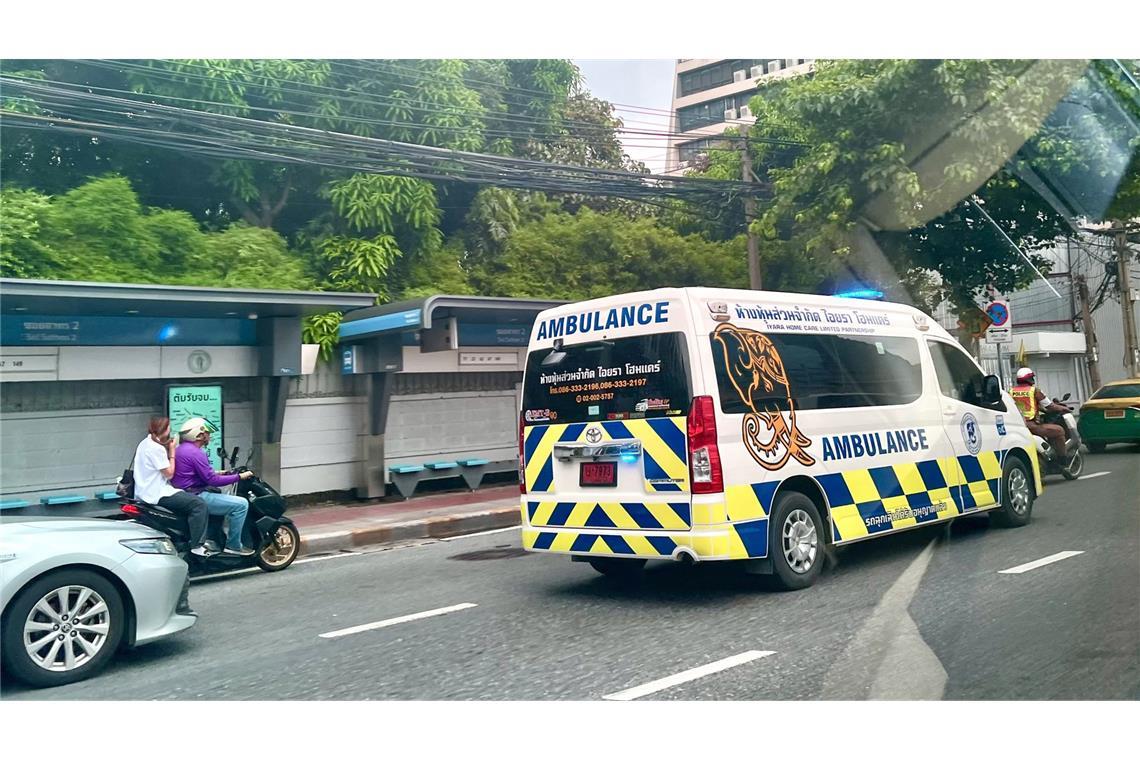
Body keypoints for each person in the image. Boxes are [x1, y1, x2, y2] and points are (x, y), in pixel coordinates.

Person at [171, 417, 255, 557]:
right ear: (199, 435)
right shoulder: (196, 452)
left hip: (184, 493)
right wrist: (239, 477)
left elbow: (193, 473)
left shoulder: (181, 449)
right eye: (207, 433)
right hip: (196, 495)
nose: (209, 436)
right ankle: (233, 546)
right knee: (241, 504)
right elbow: (213, 480)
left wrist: (219, 472)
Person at [132, 416, 215, 557]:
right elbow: (169, 474)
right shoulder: (156, 448)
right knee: (199, 504)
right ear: (164, 430)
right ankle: (197, 546)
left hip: (143, 491)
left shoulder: (144, 443)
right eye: (169, 428)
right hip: (157, 493)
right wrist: (172, 452)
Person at [1011, 367, 1070, 461]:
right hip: (1031, 426)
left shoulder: (1011, 391)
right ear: (1029, 379)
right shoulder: (1034, 391)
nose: (1033, 380)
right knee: (1059, 431)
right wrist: (1064, 408)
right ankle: (1062, 459)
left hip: (1017, 426)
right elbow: (1050, 406)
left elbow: (1028, 405)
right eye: (1032, 378)